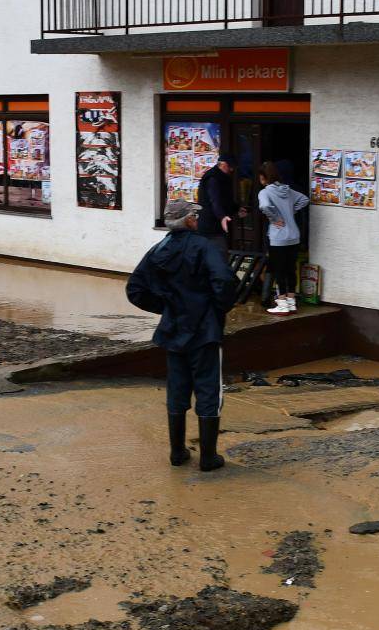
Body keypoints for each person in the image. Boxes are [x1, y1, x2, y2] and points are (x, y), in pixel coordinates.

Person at [126, 198, 238, 472]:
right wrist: (216, 309)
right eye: (195, 217)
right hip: (204, 331)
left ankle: (177, 452)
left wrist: (166, 309)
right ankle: (208, 458)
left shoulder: (159, 250)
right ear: (189, 220)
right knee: (208, 389)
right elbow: (224, 281)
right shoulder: (204, 247)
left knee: (177, 388)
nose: (197, 220)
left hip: (174, 330)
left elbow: (135, 289)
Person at [257, 161, 309, 315]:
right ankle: (292, 301)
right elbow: (304, 199)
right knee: (290, 269)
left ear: (263, 177)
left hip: (278, 237)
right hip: (294, 235)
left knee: (278, 270)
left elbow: (264, 206)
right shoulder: (287, 190)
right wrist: (291, 211)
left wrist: (274, 218)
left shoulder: (264, 192)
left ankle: (282, 303)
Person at [196, 154, 240, 255]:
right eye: (231, 167)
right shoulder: (213, 178)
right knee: (219, 254)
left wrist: (236, 209)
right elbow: (215, 200)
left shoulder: (223, 177)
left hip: (215, 225)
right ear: (223, 165)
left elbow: (226, 199)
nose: (232, 170)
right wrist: (222, 217)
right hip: (210, 226)